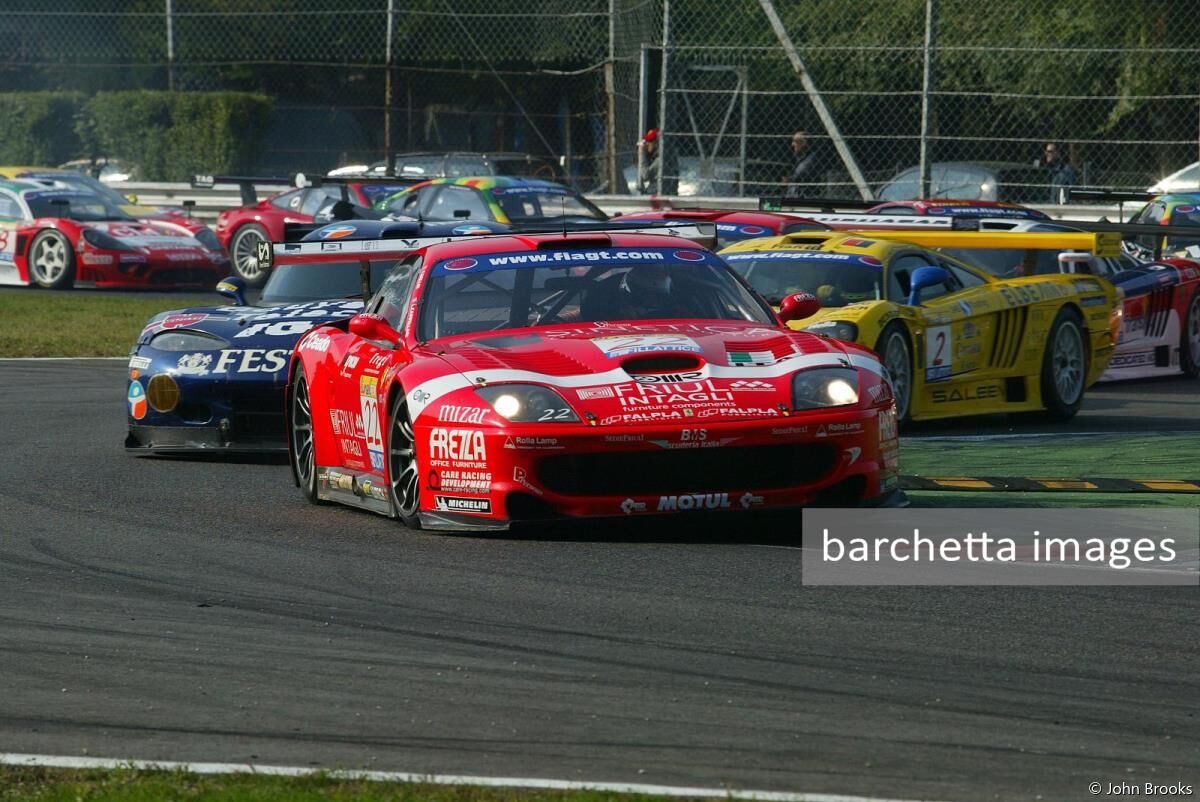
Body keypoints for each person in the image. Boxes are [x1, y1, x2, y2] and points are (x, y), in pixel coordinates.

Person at [785, 130, 822, 198]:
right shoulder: (802, 157)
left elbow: (799, 176)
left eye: (795, 141)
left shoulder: (811, 159)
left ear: (804, 143)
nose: (792, 144)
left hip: (803, 197)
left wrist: (788, 179)